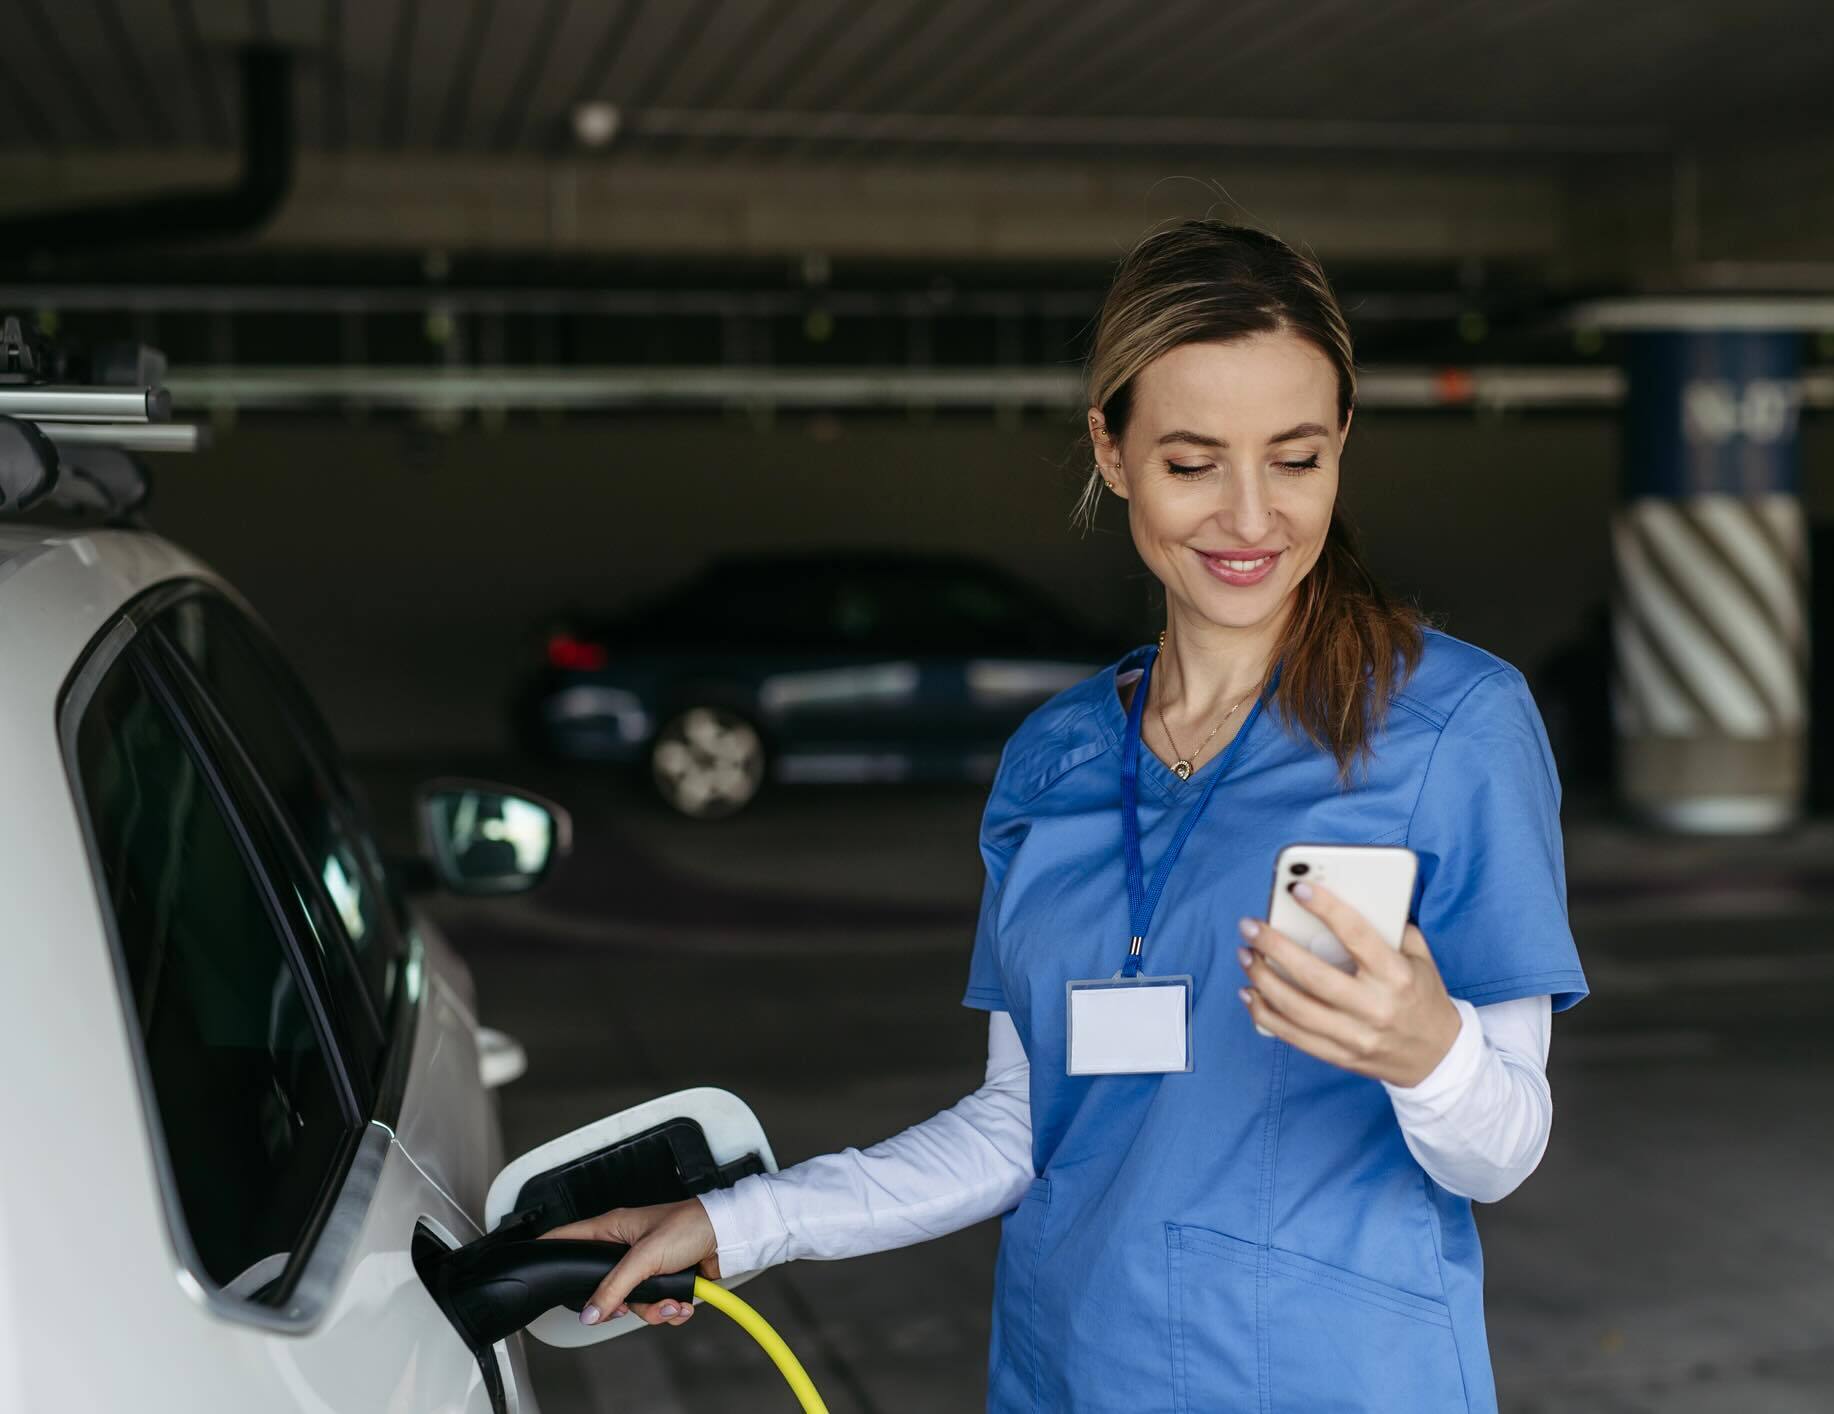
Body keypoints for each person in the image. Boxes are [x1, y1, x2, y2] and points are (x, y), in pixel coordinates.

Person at [547, 219, 1588, 1413]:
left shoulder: (1458, 723)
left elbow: (1502, 1149)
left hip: (1337, 1379)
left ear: (1342, 442)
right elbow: (1017, 1124)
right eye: (1194, 462)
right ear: (1112, 448)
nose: (1251, 518)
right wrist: (737, 1223)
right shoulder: (1054, 758)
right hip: (1069, 1375)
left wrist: (1427, 1049)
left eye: (1295, 459)